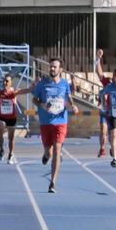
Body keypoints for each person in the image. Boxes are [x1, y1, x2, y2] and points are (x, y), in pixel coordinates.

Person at [31, 58, 77, 194]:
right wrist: (42, 105)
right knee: (49, 152)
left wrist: (73, 105)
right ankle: (46, 155)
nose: (52, 69)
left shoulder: (64, 84)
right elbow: (34, 99)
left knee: (57, 150)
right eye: (51, 66)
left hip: (61, 122)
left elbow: (69, 96)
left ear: (60, 70)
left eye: (55, 67)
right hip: (46, 122)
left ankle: (52, 183)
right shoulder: (42, 84)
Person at [0, 73, 22, 165]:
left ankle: (10, 154)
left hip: (11, 118)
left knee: (11, 138)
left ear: (11, 83)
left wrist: (34, 85)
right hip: (2, 117)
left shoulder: (14, 92)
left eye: (7, 81)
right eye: (4, 81)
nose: (5, 82)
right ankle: (1, 150)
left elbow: (27, 90)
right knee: (0, 130)